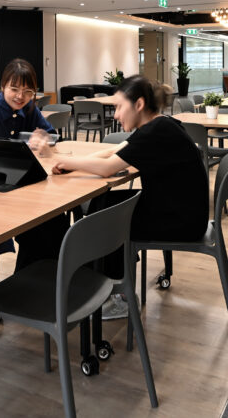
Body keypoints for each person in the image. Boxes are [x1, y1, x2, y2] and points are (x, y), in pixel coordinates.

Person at [52, 74, 209, 317]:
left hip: (182, 222)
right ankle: (106, 281)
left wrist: (68, 163)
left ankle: (118, 294)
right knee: (106, 204)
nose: (115, 115)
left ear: (139, 105)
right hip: (182, 211)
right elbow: (114, 151)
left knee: (109, 217)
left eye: (119, 107)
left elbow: (108, 168)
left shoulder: (154, 132)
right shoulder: (159, 124)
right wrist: (70, 163)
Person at [0, 58, 59, 270]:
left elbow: (51, 134)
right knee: (42, 220)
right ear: (3, 86)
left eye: (28, 92)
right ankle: (33, 276)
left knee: (52, 217)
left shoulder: (29, 108)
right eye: (14, 89)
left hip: (18, 186)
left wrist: (43, 137)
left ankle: (39, 275)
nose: (20, 97)